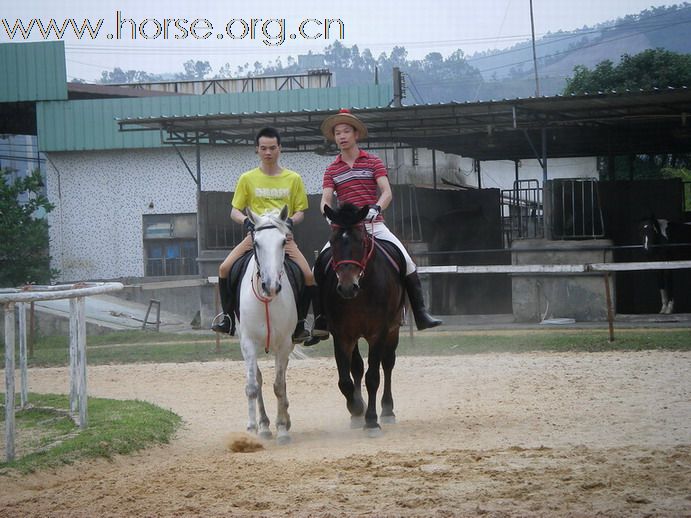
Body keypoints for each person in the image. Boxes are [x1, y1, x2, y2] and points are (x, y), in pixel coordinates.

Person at [308, 109, 442, 342]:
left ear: (356, 134)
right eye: (337, 132)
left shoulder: (373, 161)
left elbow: (387, 192)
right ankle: (321, 319)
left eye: (346, 131)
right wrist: (329, 215)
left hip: (373, 224)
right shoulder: (332, 169)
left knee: (407, 261)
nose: (341, 136)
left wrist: (376, 208)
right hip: (345, 228)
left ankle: (420, 313)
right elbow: (325, 200)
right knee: (317, 269)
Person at [211, 126, 316, 343]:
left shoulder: (293, 178)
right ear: (257, 150)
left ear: (280, 149)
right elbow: (234, 211)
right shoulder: (247, 178)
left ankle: (299, 324)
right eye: (263, 148)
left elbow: (300, 213)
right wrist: (246, 221)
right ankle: (229, 318)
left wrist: (290, 221)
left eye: (272, 148)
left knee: (308, 275)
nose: (268, 152)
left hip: (283, 240)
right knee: (224, 268)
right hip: (255, 238)